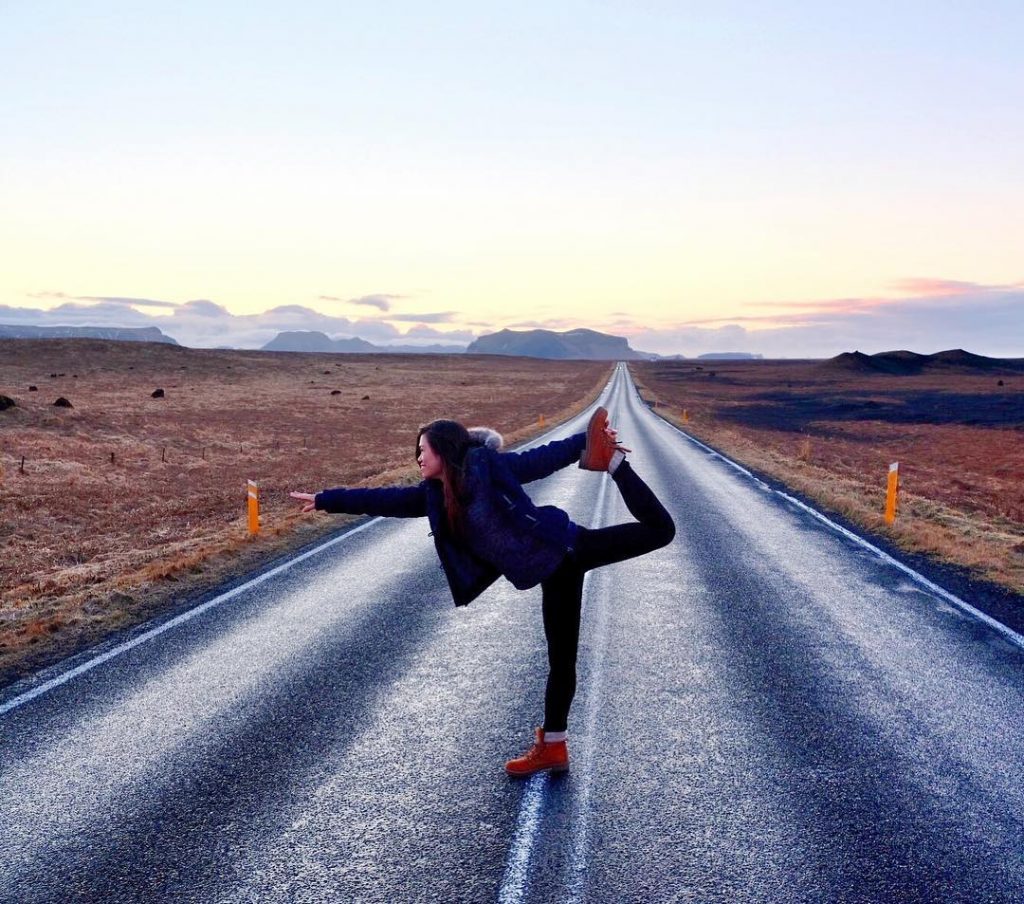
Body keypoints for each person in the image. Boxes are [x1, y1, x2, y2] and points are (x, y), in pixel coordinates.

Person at [291, 406, 675, 777]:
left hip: (568, 547)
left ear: (442, 450)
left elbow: (542, 458)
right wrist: (326, 500)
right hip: (552, 573)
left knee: (661, 531)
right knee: (561, 661)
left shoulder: (488, 468)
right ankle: (554, 747)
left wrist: (588, 443)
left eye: (422, 451)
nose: (418, 460)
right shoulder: (436, 497)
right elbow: (383, 499)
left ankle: (614, 465)